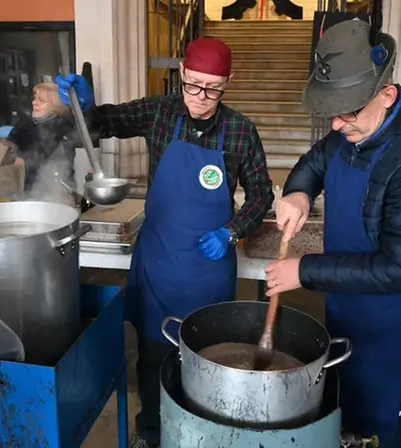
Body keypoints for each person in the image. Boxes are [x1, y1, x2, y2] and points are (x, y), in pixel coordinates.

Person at [56, 37, 274, 448]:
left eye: (213, 88)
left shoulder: (241, 131)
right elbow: (106, 125)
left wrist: (231, 231)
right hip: (158, 261)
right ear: (182, 76)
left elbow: (261, 195)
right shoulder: (160, 112)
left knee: (205, 355)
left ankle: (201, 432)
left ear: (228, 83)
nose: (201, 97)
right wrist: (84, 106)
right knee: (153, 353)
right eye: (193, 85)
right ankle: (151, 431)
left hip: (208, 269)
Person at [264, 20, 401, 448]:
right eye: (331, 111)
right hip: (348, 302)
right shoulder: (352, 131)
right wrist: (298, 193)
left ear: (387, 95)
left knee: (379, 419)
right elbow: (315, 161)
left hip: (394, 314)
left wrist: (306, 271)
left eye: (348, 112)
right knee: (345, 404)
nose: (336, 125)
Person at [7, 82, 91, 194]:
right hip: (25, 189)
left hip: (55, 190)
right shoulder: (24, 124)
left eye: (41, 101)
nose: (34, 103)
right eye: (35, 98)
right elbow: (10, 150)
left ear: (55, 107)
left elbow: (41, 152)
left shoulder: (62, 127)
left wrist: (21, 160)